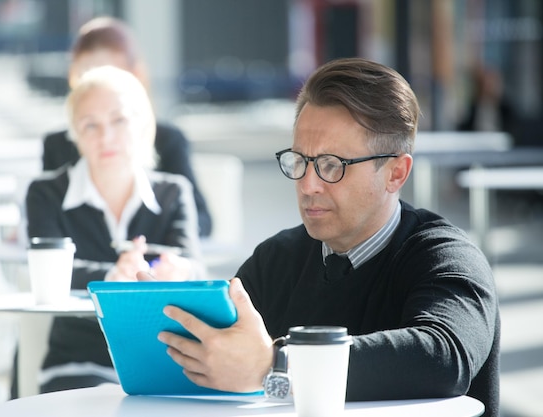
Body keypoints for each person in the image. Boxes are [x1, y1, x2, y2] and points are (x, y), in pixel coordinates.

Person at [148, 58, 500, 417]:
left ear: (396, 173)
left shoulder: (446, 257)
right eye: (300, 160)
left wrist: (276, 364)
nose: (307, 184)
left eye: (332, 165)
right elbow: (217, 353)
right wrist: (155, 305)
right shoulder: (276, 260)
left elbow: (443, 357)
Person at [25, 65, 203, 394]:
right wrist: (112, 277)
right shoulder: (45, 193)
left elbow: (193, 265)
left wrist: (180, 271)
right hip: (78, 362)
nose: (105, 137)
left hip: (162, 359)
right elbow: (48, 273)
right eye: (90, 125)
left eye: (118, 120)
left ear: (142, 124)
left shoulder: (174, 192)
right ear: (75, 135)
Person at [42, 16, 212, 237]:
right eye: (87, 78)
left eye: (111, 75)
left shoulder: (168, 141)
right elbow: (48, 217)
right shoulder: (57, 144)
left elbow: (200, 220)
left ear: (136, 76)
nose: (99, 87)